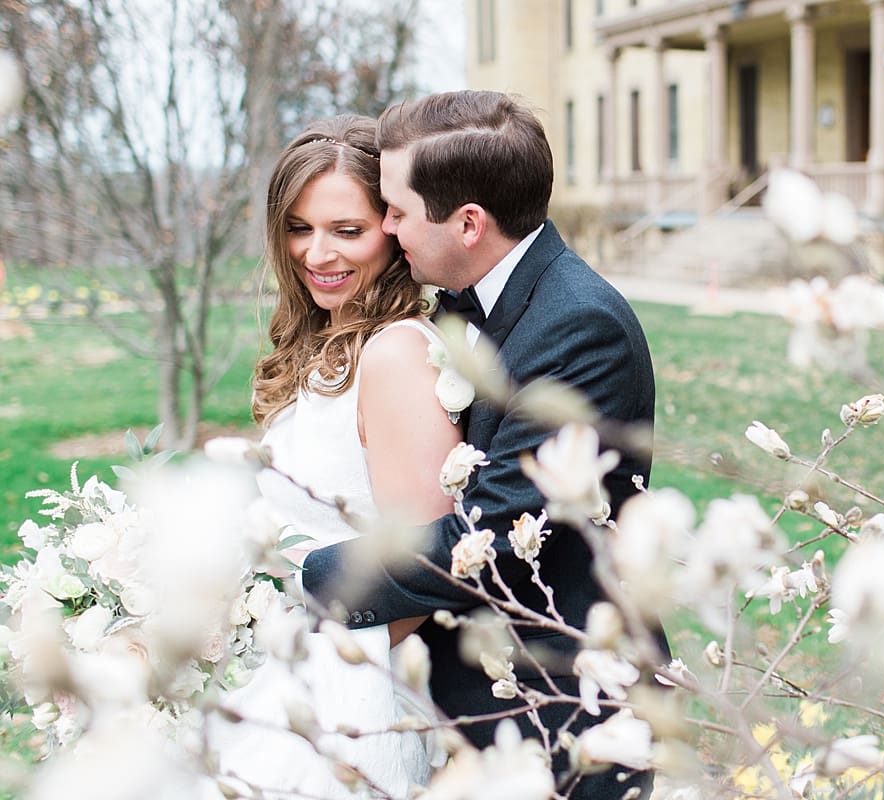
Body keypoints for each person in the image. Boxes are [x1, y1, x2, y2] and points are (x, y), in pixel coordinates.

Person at [301, 91, 663, 798]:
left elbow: (488, 537)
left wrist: (303, 580)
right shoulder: (469, 304)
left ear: (468, 223)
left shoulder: (582, 329)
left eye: (398, 211)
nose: (388, 227)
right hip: (472, 704)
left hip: (562, 715)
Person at [208, 114, 460, 798]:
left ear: (395, 225)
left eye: (346, 230)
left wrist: (301, 642)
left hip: (355, 692)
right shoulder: (325, 339)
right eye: (298, 227)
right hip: (299, 666)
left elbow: (430, 568)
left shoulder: (398, 354)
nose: (317, 253)